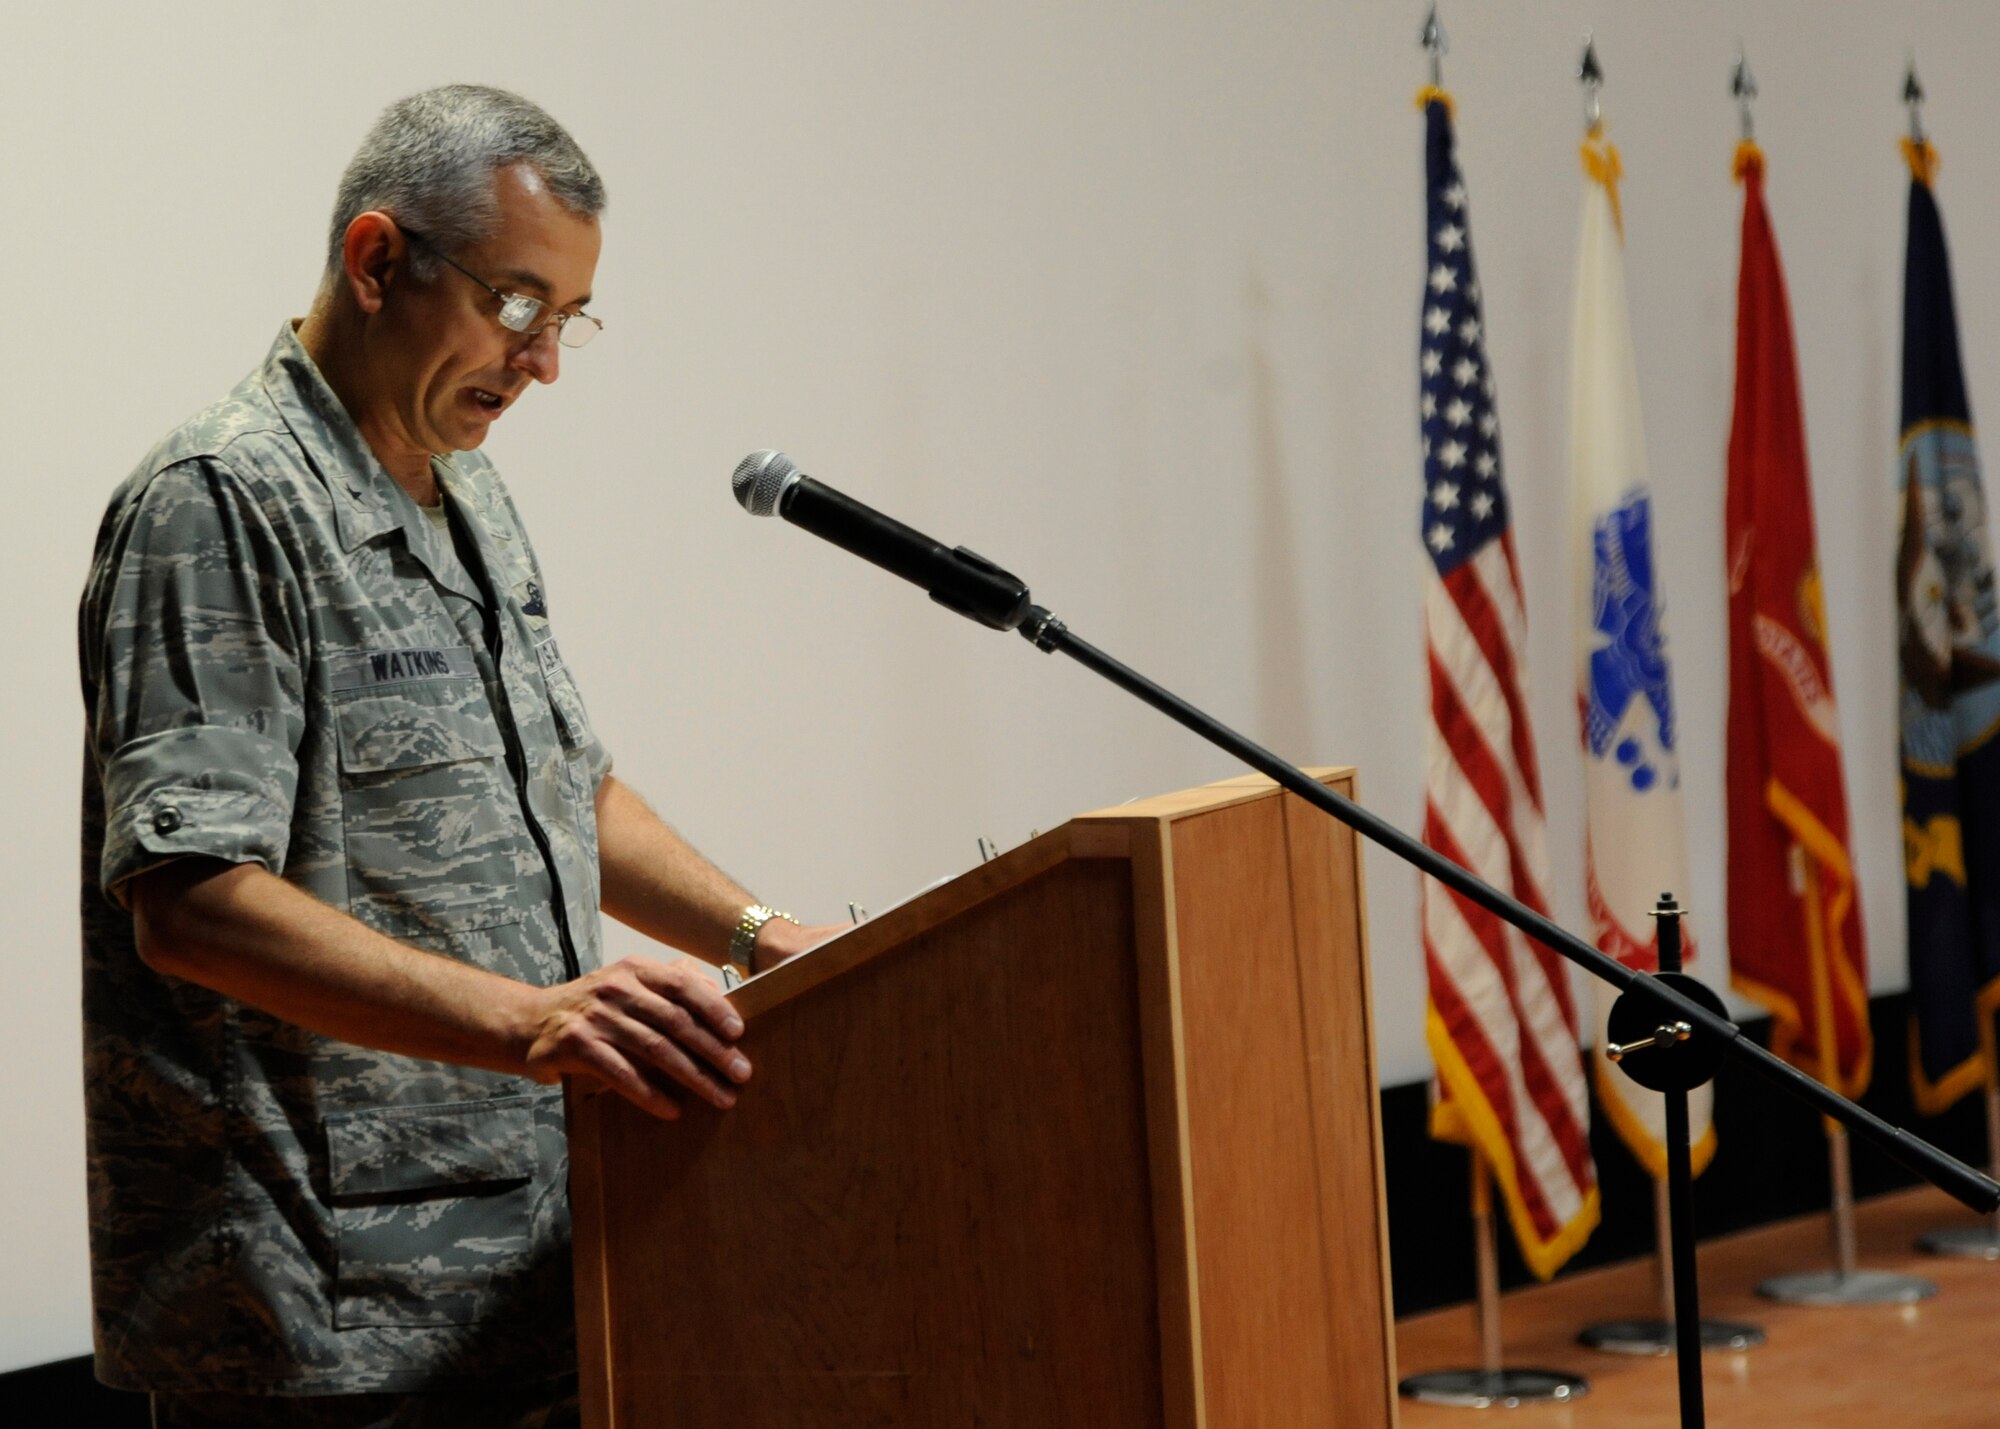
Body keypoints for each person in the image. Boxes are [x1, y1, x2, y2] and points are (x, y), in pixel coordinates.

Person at [76, 84, 834, 1428]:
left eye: (569, 317)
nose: (543, 362)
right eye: (517, 303)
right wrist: (536, 1021)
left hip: (529, 1283)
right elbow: (192, 902)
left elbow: (566, 788)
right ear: (378, 260)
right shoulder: (222, 502)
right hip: (323, 1320)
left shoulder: (467, 488)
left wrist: (766, 937)